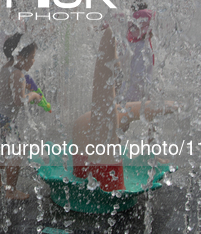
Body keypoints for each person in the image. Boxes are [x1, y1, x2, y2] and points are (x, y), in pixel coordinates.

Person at [72, 26, 177, 191]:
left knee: (110, 109)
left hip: (82, 143)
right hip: (104, 172)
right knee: (108, 108)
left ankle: (112, 47)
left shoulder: (97, 119)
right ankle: (112, 51)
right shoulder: (107, 118)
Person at [0, 33, 41, 200]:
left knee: (1, 152)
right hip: (4, 120)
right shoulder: (18, 74)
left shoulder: (4, 69)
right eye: (32, 57)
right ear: (20, 56)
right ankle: (10, 191)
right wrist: (32, 96)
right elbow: (19, 102)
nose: (33, 61)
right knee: (17, 152)